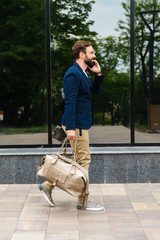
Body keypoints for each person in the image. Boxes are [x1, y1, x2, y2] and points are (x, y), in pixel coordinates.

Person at [38, 40, 104, 211]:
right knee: (83, 162)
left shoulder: (83, 72)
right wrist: (71, 128)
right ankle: (83, 201)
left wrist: (98, 74)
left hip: (82, 124)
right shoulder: (72, 74)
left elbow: (95, 92)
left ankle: (48, 185)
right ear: (82, 55)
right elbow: (70, 102)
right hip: (78, 126)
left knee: (76, 162)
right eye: (91, 53)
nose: (94, 56)